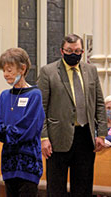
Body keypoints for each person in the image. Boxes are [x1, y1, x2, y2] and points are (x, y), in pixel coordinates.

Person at [37, 34, 107, 196]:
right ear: (62, 51)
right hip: (57, 138)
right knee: (56, 189)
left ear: (82, 51)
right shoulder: (48, 72)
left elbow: (99, 103)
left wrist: (101, 133)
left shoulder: (91, 70)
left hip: (85, 136)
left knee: (83, 188)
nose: (73, 54)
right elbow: (41, 108)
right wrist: (44, 137)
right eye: (69, 50)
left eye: (77, 50)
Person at [0, 48, 45, 197]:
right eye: (4, 70)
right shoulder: (4, 95)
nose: (5, 74)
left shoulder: (35, 95)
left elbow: (27, 130)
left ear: (22, 69)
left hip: (28, 164)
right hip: (9, 163)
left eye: (9, 70)